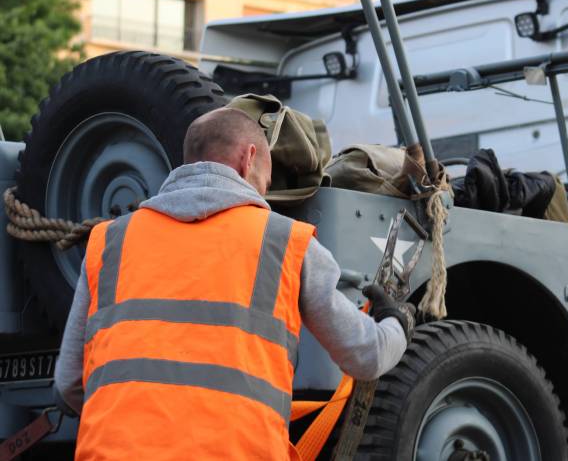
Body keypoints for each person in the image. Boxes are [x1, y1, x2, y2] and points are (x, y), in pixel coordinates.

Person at [53, 107, 413, 460]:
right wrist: (396, 323)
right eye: (266, 181)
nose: (263, 194)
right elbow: (366, 356)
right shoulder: (285, 241)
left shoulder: (110, 241)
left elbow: (70, 381)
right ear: (248, 158)